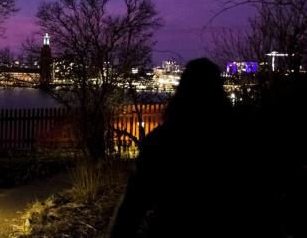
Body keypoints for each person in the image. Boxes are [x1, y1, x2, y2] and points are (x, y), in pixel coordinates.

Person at [108, 58, 281, 237]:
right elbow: (261, 199)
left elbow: (132, 206)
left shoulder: (162, 141)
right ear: (218, 92)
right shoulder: (242, 139)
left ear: (182, 92)